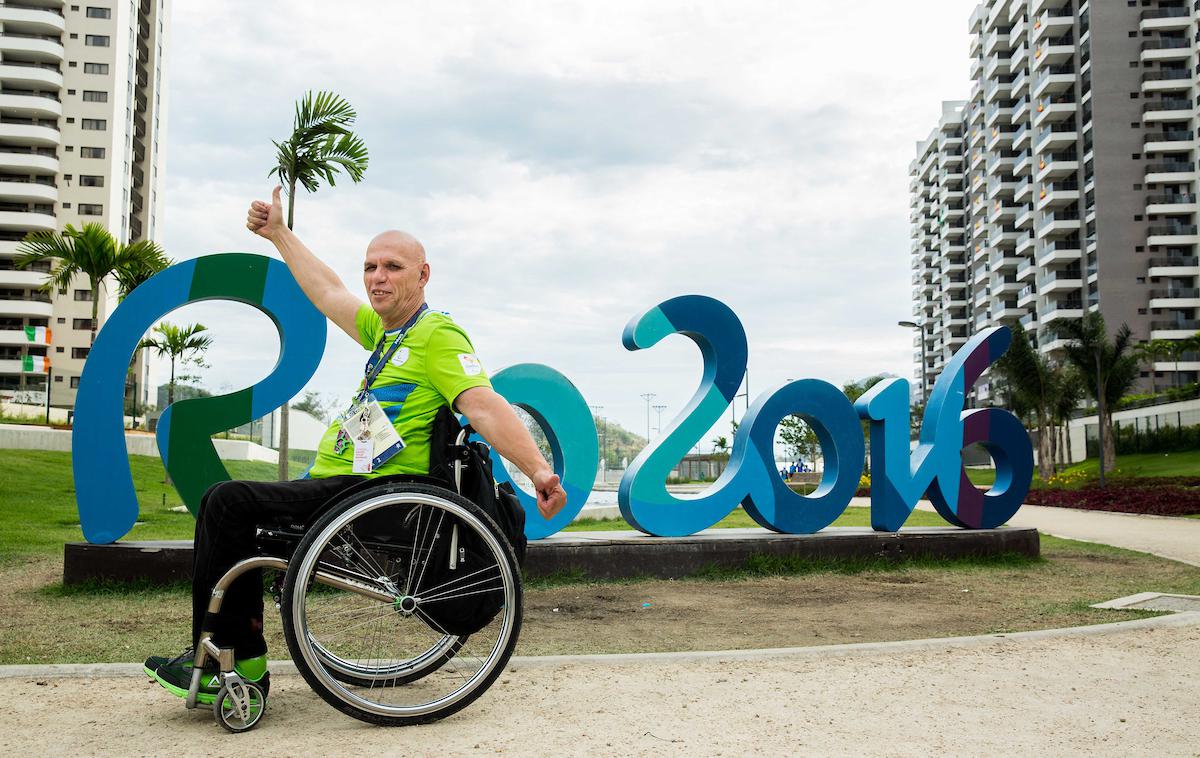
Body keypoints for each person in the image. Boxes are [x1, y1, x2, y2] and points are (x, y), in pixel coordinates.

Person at [143, 186, 568, 703]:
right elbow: (326, 292)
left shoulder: (438, 335)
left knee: (226, 501)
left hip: (377, 497)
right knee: (230, 510)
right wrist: (278, 233)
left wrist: (539, 472)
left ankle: (229, 664)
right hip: (341, 489)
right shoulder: (387, 333)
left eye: (391, 266)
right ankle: (236, 658)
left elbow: (482, 404)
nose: (377, 278)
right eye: (370, 267)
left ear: (422, 274)